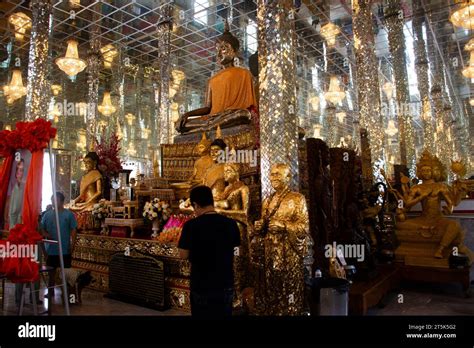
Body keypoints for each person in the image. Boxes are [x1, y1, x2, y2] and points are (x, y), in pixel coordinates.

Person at [178, 185, 240, 317]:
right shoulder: (231, 224)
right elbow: (236, 252)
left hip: (202, 284)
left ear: (195, 205)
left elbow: (183, 255)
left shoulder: (191, 226)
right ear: (211, 201)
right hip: (225, 282)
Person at [41, 192, 78, 295]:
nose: (54, 202)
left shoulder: (69, 214)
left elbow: (73, 230)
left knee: (66, 272)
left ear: (62, 202)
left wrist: (73, 244)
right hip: (51, 249)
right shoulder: (47, 215)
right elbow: (41, 229)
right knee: (51, 272)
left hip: (64, 248)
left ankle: (67, 293)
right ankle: (51, 291)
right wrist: (46, 234)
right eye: (52, 200)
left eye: (56, 200)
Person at [8, 159, 25, 228]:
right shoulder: (12, 184)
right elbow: (8, 200)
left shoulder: (24, 185)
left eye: (21, 170)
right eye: (18, 169)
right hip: (12, 217)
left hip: (20, 216)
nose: (19, 171)